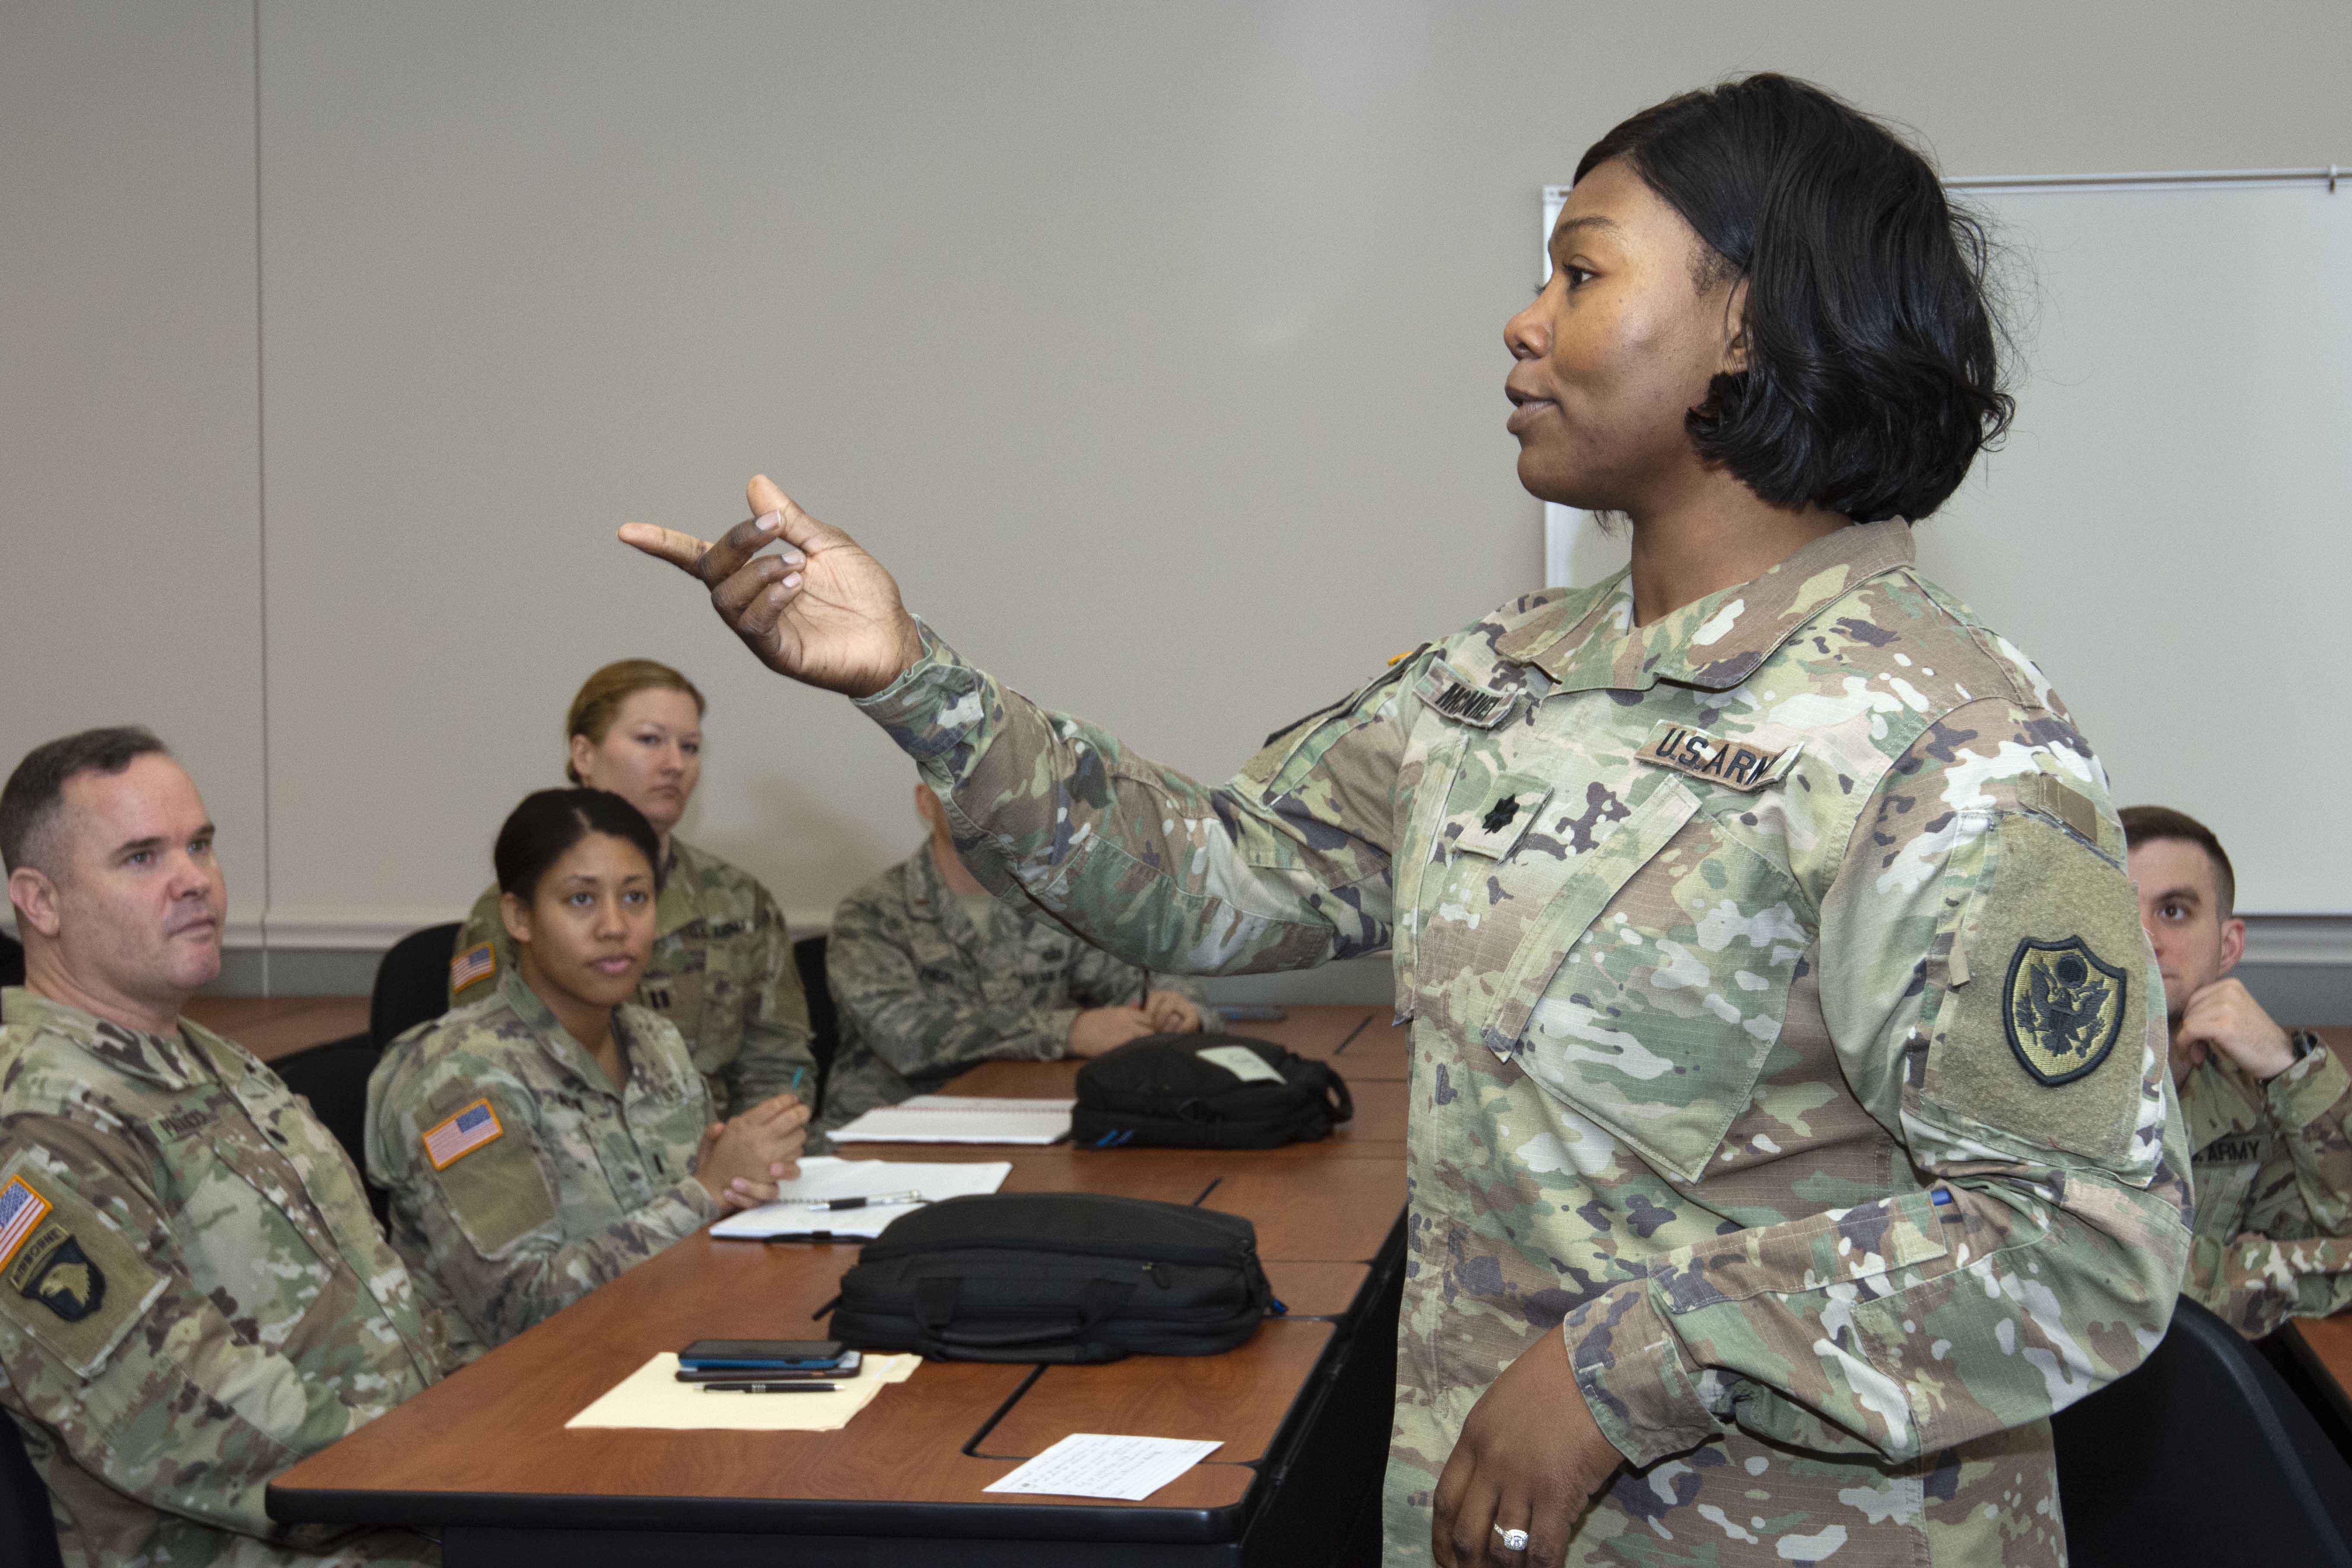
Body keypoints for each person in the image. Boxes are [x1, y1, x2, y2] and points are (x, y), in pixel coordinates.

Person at [625, 74, 2191, 1568]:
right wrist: (910, 677)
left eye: (1578, 274)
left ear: (1748, 318)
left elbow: (2077, 1238)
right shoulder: (1491, 688)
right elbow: (1210, 883)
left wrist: (1618, 1366)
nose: (1520, 323)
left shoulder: (1941, 729)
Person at [0, 727, 460, 1567]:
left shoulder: (208, 1056)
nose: (195, 879)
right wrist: (456, 1480)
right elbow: (173, 1416)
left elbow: (378, 1294)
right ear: (40, 899)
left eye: (200, 844)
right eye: (141, 856)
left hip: (407, 1503)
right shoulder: (37, 1122)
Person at [370, 789, 809, 1350]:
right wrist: (706, 1191)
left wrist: (741, 1186)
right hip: (516, 1398)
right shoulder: (461, 1079)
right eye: (580, 901)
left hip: (665, 1343)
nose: (614, 926)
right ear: (520, 917)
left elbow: (690, 1236)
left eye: (636, 898)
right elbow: (523, 1309)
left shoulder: (657, 1043)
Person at [446, 659, 818, 1122]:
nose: (675, 764)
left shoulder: (739, 899)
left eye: (690, 746)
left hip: (728, 1160)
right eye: (649, 740)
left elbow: (778, 1060)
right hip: (585, 1165)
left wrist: (756, 1144)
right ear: (584, 755)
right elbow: (485, 1067)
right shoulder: (520, 906)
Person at [820, 781, 1207, 1128]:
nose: (981, 805)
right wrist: (1068, 1033)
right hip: (890, 1129)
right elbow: (906, 1036)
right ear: (926, 801)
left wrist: (1171, 1006)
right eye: (960, 789)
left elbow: (1129, 977)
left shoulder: (1049, 901)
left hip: (1028, 1118)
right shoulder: (872, 912)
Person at [2123, 804, 2352, 1337]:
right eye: (2116, 909)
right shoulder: (2026, 1074)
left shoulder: (2253, 1087)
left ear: (2229, 947)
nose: (2144, 938)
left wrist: (2289, 1067)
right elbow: (2103, 1277)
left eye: (2173, 911)